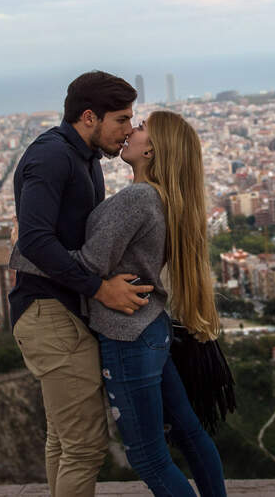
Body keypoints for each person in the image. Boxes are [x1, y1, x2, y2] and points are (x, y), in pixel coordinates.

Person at [8, 70, 154, 497]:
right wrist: (100, 288)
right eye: (121, 120)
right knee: (85, 447)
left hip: (59, 310)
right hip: (49, 311)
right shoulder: (52, 157)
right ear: (89, 117)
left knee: (63, 440)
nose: (128, 130)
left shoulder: (84, 158)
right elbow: (35, 240)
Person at [72, 110, 226, 497]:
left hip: (127, 334)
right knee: (190, 433)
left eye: (140, 128)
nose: (131, 130)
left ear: (151, 150)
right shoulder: (164, 198)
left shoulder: (138, 198)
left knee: (148, 457)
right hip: (152, 327)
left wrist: (28, 248)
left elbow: (89, 264)